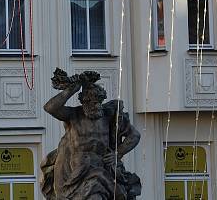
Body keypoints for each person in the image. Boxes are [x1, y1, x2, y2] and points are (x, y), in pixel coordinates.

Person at [40, 69, 142, 200]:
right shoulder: (74, 115)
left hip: (101, 169)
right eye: (92, 102)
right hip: (75, 170)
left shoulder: (108, 116)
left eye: (99, 102)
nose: (96, 105)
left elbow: (134, 135)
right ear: (84, 102)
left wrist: (118, 153)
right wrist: (72, 89)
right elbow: (50, 108)